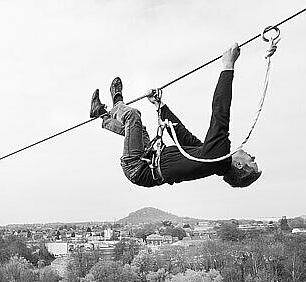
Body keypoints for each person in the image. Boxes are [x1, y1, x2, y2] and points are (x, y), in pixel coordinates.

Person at [90, 43, 261, 188]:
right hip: (146, 160)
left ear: (239, 165)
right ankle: (102, 115)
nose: (252, 156)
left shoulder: (217, 157)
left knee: (132, 116)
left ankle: (117, 103)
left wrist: (228, 66)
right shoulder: (210, 157)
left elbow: (220, 113)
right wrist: (160, 106)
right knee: (138, 129)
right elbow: (183, 137)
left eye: (252, 161)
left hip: (137, 167)